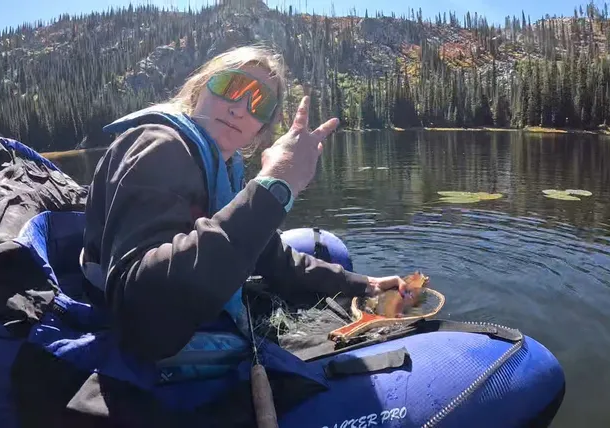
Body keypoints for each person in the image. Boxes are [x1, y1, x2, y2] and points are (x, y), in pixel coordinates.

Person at [80, 44, 412, 366]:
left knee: (330, 267)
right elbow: (138, 308)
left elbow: (271, 258)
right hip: (146, 332)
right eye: (229, 85)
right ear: (199, 89)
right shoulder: (161, 147)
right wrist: (275, 187)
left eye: (259, 103)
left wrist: (362, 284)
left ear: (261, 130)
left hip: (190, 294)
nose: (239, 108)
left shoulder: (225, 167)